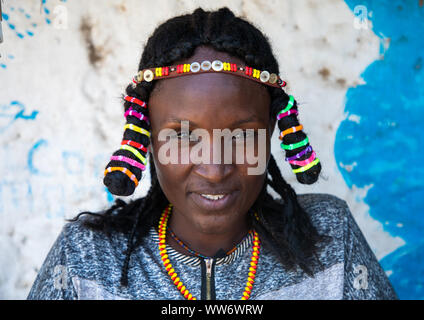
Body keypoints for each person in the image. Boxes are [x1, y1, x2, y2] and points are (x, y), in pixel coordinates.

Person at [27, 7, 397, 300]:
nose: (216, 168)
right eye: (184, 135)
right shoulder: (85, 258)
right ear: (147, 137)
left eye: (241, 135)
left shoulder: (330, 239)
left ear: (271, 131)